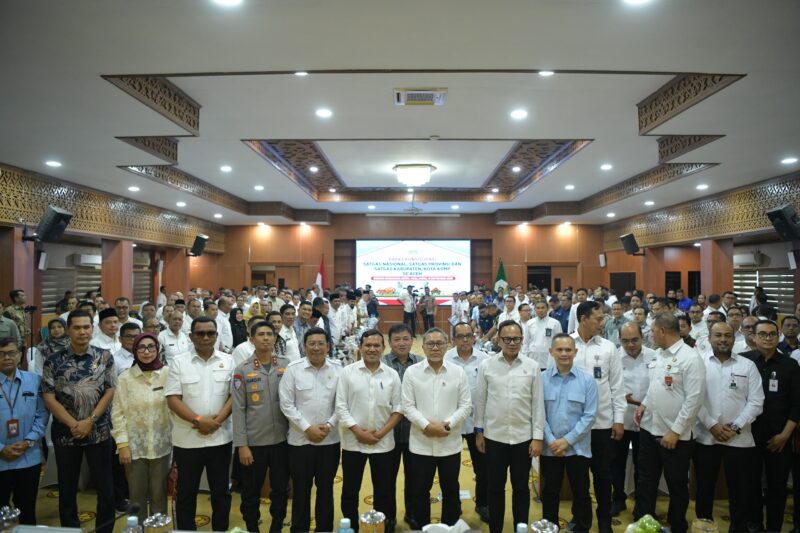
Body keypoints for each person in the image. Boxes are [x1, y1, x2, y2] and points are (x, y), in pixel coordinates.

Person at [42, 310, 117, 533]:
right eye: (77, 327)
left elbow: (110, 390)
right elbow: (48, 396)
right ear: (68, 330)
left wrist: (90, 421)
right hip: (66, 434)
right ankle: (70, 530)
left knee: (105, 489)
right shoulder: (53, 360)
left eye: (86, 327)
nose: (82, 332)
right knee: (67, 488)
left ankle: (104, 529)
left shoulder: (104, 357)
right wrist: (74, 424)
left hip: (98, 431)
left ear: (92, 329)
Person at [633, 313, 706, 533]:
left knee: (676, 484)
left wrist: (675, 431)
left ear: (663, 331)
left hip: (675, 436)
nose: (651, 335)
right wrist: (644, 404)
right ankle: (644, 523)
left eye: (653, 331)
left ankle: (677, 525)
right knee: (646, 480)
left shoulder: (690, 358)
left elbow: (694, 400)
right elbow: (656, 386)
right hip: (649, 429)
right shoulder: (658, 354)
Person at [474, 320, 545, 533]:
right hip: (494, 437)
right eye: (507, 339)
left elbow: (538, 404)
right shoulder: (487, 365)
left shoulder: (532, 367)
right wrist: (479, 432)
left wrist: (537, 437)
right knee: (495, 487)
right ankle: (495, 529)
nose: (512, 343)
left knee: (521, 488)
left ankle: (519, 528)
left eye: (516, 339)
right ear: (498, 340)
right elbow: (480, 401)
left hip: (523, 438)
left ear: (522, 340)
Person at [165, 316, 234, 532]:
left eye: (210, 333)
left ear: (216, 335)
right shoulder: (179, 362)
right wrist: (198, 420)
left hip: (220, 439)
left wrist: (216, 422)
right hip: (187, 441)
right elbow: (173, 398)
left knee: (221, 492)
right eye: (200, 333)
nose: (205, 337)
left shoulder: (229, 361)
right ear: (191, 336)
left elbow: (234, 396)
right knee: (186, 494)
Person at [694, 322, 764, 533]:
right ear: (709, 338)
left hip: (739, 440)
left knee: (740, 490)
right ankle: (704, 527)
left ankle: (738, 528)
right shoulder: (699, 363)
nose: (723, 339)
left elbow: (757, 402)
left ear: (734, 339)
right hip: (706, 437)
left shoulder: (747, 366)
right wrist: (712, 425)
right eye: (718, 335)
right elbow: (693, 398)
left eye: (727, 335)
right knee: (704, 488)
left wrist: (735, 426)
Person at [401, 327, 471, 527]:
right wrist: (427, 426)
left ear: (447, 346)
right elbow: (407, 406)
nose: (435, 348)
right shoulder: (412, 372)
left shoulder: (458, 372)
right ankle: (422, 527)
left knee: (450, 489)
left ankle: (450, 527)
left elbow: (466, 405)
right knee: (420, 490)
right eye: (430, 344)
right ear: (422, 347)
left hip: (450, 443)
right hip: (421, 444)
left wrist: (447, 425)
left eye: (439, 343)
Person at [336, 329, 403, 532]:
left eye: (376, 346)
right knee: (350, 490)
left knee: (384, 491)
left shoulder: (392, 375)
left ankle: (383, 527)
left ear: (383, 348)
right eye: (368, 345)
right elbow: (341, 406)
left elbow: (398, 409)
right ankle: (351, 527)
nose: (372, 349)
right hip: (353, 443)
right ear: (360, 347)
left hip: (383, 443)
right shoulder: (347, 373)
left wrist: (381, 433)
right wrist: (359, 432)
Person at [571, 301, 625, 533]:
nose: (603, 322)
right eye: (599, 318)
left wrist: (619, 419)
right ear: (584, 319)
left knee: (603, 476)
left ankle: (604, 522)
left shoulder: (608, 348)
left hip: (602, 423)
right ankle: (581, 521)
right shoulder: (567, 345)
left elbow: (617, 386)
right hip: (573, 426)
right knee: (578, 478)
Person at [279, 327, 341, 533]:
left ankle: (324, 529)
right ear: (304, 347)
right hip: (300, 442)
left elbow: (342, 403)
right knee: (301, 490)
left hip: (329, 441)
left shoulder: (338, 369)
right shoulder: (293, 369)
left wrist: (329, 425)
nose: (316, 348)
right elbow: (286, 404)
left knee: (326, 489)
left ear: (328, 346)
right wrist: (307, 428)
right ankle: (299, 529)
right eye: (311, 344)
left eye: (321, 343)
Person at [741, 319, 800, 532]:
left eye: (772, 334)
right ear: (753, 337)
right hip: (748, 435)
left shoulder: (790, 365)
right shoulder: (743, 361)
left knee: (777, 486)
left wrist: (785, 435)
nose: (767, 338)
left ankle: (774, 527)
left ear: (778, 336)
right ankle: (754, 524)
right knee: (751, 484)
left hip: (779, 436)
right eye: (762, 334)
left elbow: (797, 404)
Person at [232, 321, 291, 533]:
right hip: (254, 444)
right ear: (252, 339)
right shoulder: (242, 370)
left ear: (275, 338)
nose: (266, 338)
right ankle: (252, 528)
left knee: (280, 490)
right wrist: (242, 445)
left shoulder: (286, 365)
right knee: (250, 492)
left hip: (282, 441)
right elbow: (238, 410)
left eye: (269, 334)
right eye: (261, 334)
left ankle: (277, 526)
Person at [540, 334, 598, 533]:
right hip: (551, 448)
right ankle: (549, 527)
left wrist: (566, 441)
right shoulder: (541, 379)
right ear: (551, 352)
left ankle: (582, 527)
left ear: (575, 352)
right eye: (559, 350)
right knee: (550, 491)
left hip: (578, 448)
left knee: (581, 491)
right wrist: (552, 440)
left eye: (568, 350)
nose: (564, 353)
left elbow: (590, 416)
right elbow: (538, 414)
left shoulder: (587, 380)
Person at [111, 333, 172, 523]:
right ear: (135, 350)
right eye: (141, 347)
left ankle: (158, 529)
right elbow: (117, 413)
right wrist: (122, 445)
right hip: (134, 447)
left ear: (158, 349)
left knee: (159, 495)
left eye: (151, 347)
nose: (146, 352)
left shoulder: (168, 374)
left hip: (162, 444)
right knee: (136, 496)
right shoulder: (125, 378)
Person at [0, 336, 48, 524]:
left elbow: (42, 415)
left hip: (28, 458)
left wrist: (29, 441)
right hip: (1, 460)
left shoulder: (34, 381)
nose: (7, 358)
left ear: (20, 354)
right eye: (1, 354)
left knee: (27, 512)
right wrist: (1, 448)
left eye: (11, 353)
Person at [447, 322, 491, 523]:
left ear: (474, 337)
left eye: (468, 335)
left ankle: (483, 503)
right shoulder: (446, 359)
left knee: (483, 468)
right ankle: (452, 506)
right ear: (453, 339)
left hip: (477, 424)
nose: (465, 340)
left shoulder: (485, 360)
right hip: (451, 424)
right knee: (450, 470)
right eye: (460, 336)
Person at [611, 323, 655, 516]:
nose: (630, 345)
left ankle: (642, 504)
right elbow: (608, 386)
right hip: (621, 419)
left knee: (644, 466)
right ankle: (618, 498)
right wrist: (622, 398)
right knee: (616, 463)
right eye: (625, 341)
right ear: (619, 340)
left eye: (635, 340)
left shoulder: (654, 356)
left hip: (647, 421)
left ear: (642, 337)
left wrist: (643, 402)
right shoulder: (614, 357)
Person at [382, 324, 423, 529]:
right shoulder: (381, 363)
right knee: (386, 479)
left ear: (412, 341)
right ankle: (388, 517)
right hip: (387, 432)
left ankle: (412, 513)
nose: (401, 343)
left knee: (415, 478)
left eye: (406, 339)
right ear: (389, 342)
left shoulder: (421, 363)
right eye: (397, 339)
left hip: (415, 432)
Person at [522, 300, 563, 370]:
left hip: (549, 360)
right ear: (535, 309)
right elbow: (525, 343)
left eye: (542, 308)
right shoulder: (529, 323)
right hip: (532, 359)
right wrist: (524, 358)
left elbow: (560, 343)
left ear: (547, 309)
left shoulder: (555, 323)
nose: (540, 310)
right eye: (538, 308)